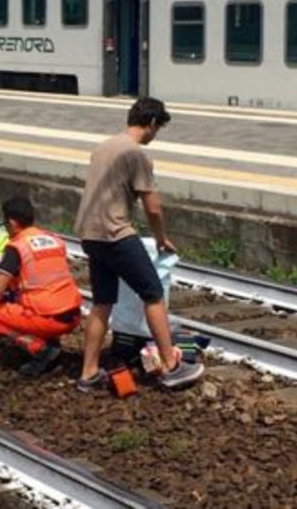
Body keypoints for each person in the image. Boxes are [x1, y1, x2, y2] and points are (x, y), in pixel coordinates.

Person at [74, 97, 204, 391]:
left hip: (90, 234)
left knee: (103, 302)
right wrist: (160, 238)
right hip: (115, 232)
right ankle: (171, 366)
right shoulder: (136, 154)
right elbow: (153, 207)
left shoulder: (104, 146)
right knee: (153, 293)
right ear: (153, 123)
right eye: (159, 129)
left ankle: (88, 373)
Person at [0, 197, 83, 376]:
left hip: (49, 319)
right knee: (36, 302)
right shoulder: (54, 240)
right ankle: (50, 342)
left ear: (11, 222)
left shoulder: (16, 247)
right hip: (73, 315)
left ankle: (41, 348)